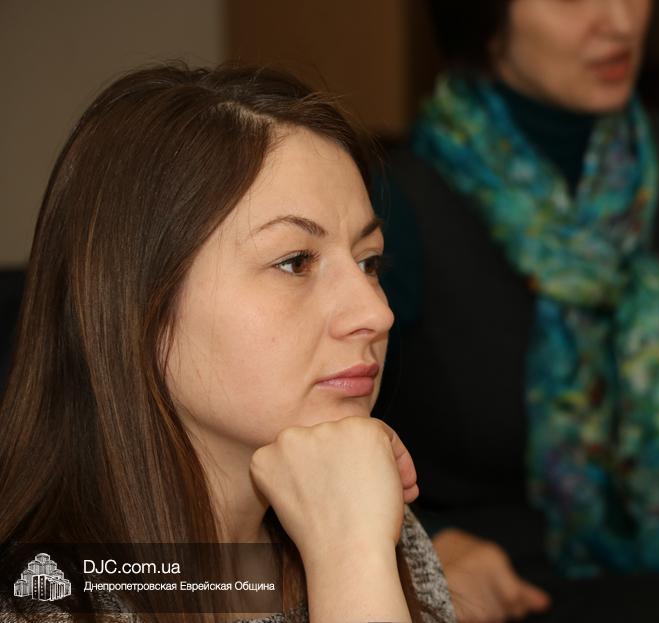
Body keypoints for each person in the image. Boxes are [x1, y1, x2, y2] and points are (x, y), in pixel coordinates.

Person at [373, 0, 659, 621]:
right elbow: (309, 445)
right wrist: (418, 540)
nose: (619, 21)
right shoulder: (395, 204)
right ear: (485, 20)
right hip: (497, 589)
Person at [0, 64, 455, 623]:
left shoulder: (365, 515)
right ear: (140, 305)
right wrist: (349, 559)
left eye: (369, 262)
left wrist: (353, 549)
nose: (376, 313)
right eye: (295, 262)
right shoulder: (40, 600)